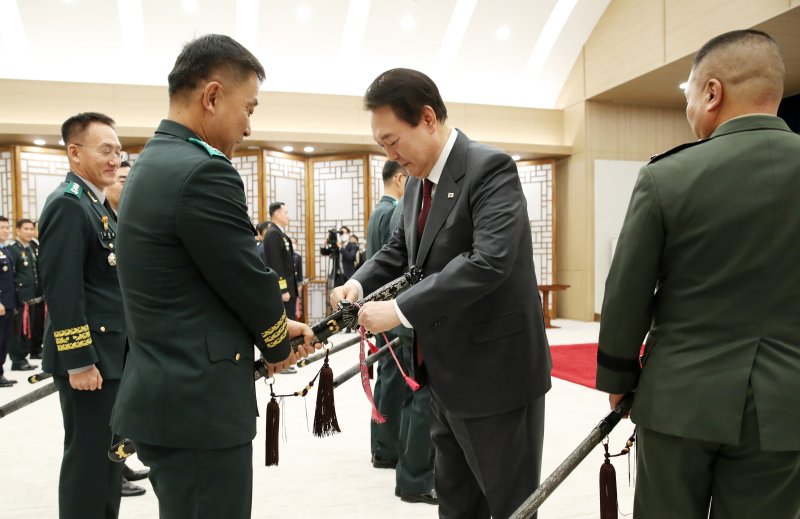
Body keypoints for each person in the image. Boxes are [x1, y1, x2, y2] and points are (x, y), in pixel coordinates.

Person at [110, 34, 316, 519]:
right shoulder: (204, 172)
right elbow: (249, 278)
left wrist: (271, 330)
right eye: (249, 108)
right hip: (197, 406)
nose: (248, 125)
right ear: (212, 96)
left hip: (167, 391)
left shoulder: (151, 163)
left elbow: (192, 284)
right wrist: (277, 344)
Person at [596, 30, 800, 518]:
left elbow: (627, 292)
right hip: (786, 405)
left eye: (688, 92)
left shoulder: (666, 176)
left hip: (679, 401)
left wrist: (618, 379)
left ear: (712, 91)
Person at [331, 68, 551, 519]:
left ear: (428, 118)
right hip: (442, 377)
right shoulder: (416, 183)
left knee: (509, 504)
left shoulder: (489, 169)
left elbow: (487, 262)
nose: (389, 154)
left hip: (496, 377)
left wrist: (399, 309)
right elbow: (398, 251)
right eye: (381, 146)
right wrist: (359, 282)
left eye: (393, 141)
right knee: (456, 502)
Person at [38, 112, 128, 519]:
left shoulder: (96, 204)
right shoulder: (69, 205)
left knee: (108, 459)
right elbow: (62, 291)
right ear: (74, 152)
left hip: (109, 357)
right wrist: (79, 361)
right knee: (89, 461)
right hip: (90, 361)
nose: (115, 159)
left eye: (118, 151)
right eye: (105, 150)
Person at [368, 161, 437, 504]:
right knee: (421, 396)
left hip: (397, 311)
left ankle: (394, 456)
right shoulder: (402, 209)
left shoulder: (392, 209)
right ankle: (416, 476)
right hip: (403, 312)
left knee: (405, 390)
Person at [103, 159, 150, 497]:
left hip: (129, 330)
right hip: (106, 334)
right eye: (121, 178)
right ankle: (111, 474)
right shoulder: (95, 216)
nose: (127, 184)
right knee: (107, 409)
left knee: (124, 403)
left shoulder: (129, 221)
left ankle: (121, 462)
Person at [6, 218, 43, 369]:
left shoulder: (30, 248)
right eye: (25, 229)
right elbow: (11, 275)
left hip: (33, 296)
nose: (29, 232)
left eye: (30, 229)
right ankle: (17, 359)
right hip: (20, 297)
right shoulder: (13, 250)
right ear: (18, 230)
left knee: (30, 328)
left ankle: (26, 355)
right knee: (17, 330)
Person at [262, 202, 298, 320]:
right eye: (286, 213)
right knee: (288, 323)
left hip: (289, 288)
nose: (288, 216)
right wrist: (283, 290)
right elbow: (276, 264)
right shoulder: (273, 233)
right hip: (283, 290)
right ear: (277, 214)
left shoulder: (279, 233)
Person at [0, 216, 17, 388]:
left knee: (4, 340)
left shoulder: (5, 250)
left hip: (8, 303)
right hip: (1, 304)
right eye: (1, 227)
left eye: (6, 227)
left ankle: (0, 373)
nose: (5, 230)